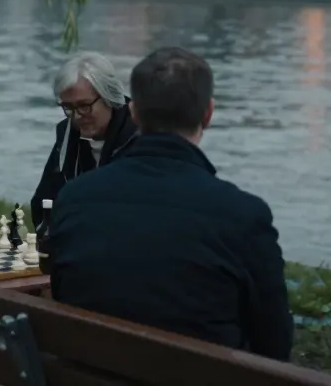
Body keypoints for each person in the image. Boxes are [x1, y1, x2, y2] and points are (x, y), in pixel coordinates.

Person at [49, 47, 293, 361]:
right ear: (208, 114)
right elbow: (275, 345)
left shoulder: (73, 199)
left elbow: (63, 295)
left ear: (134, 113)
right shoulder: (244, 216)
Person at [30, 52, 137, 228]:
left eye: (84, 106)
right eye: (68, 107)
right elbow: (43, 203)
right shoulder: (67, 137)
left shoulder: (139, 136)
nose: (77, 116)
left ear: (108, 96)